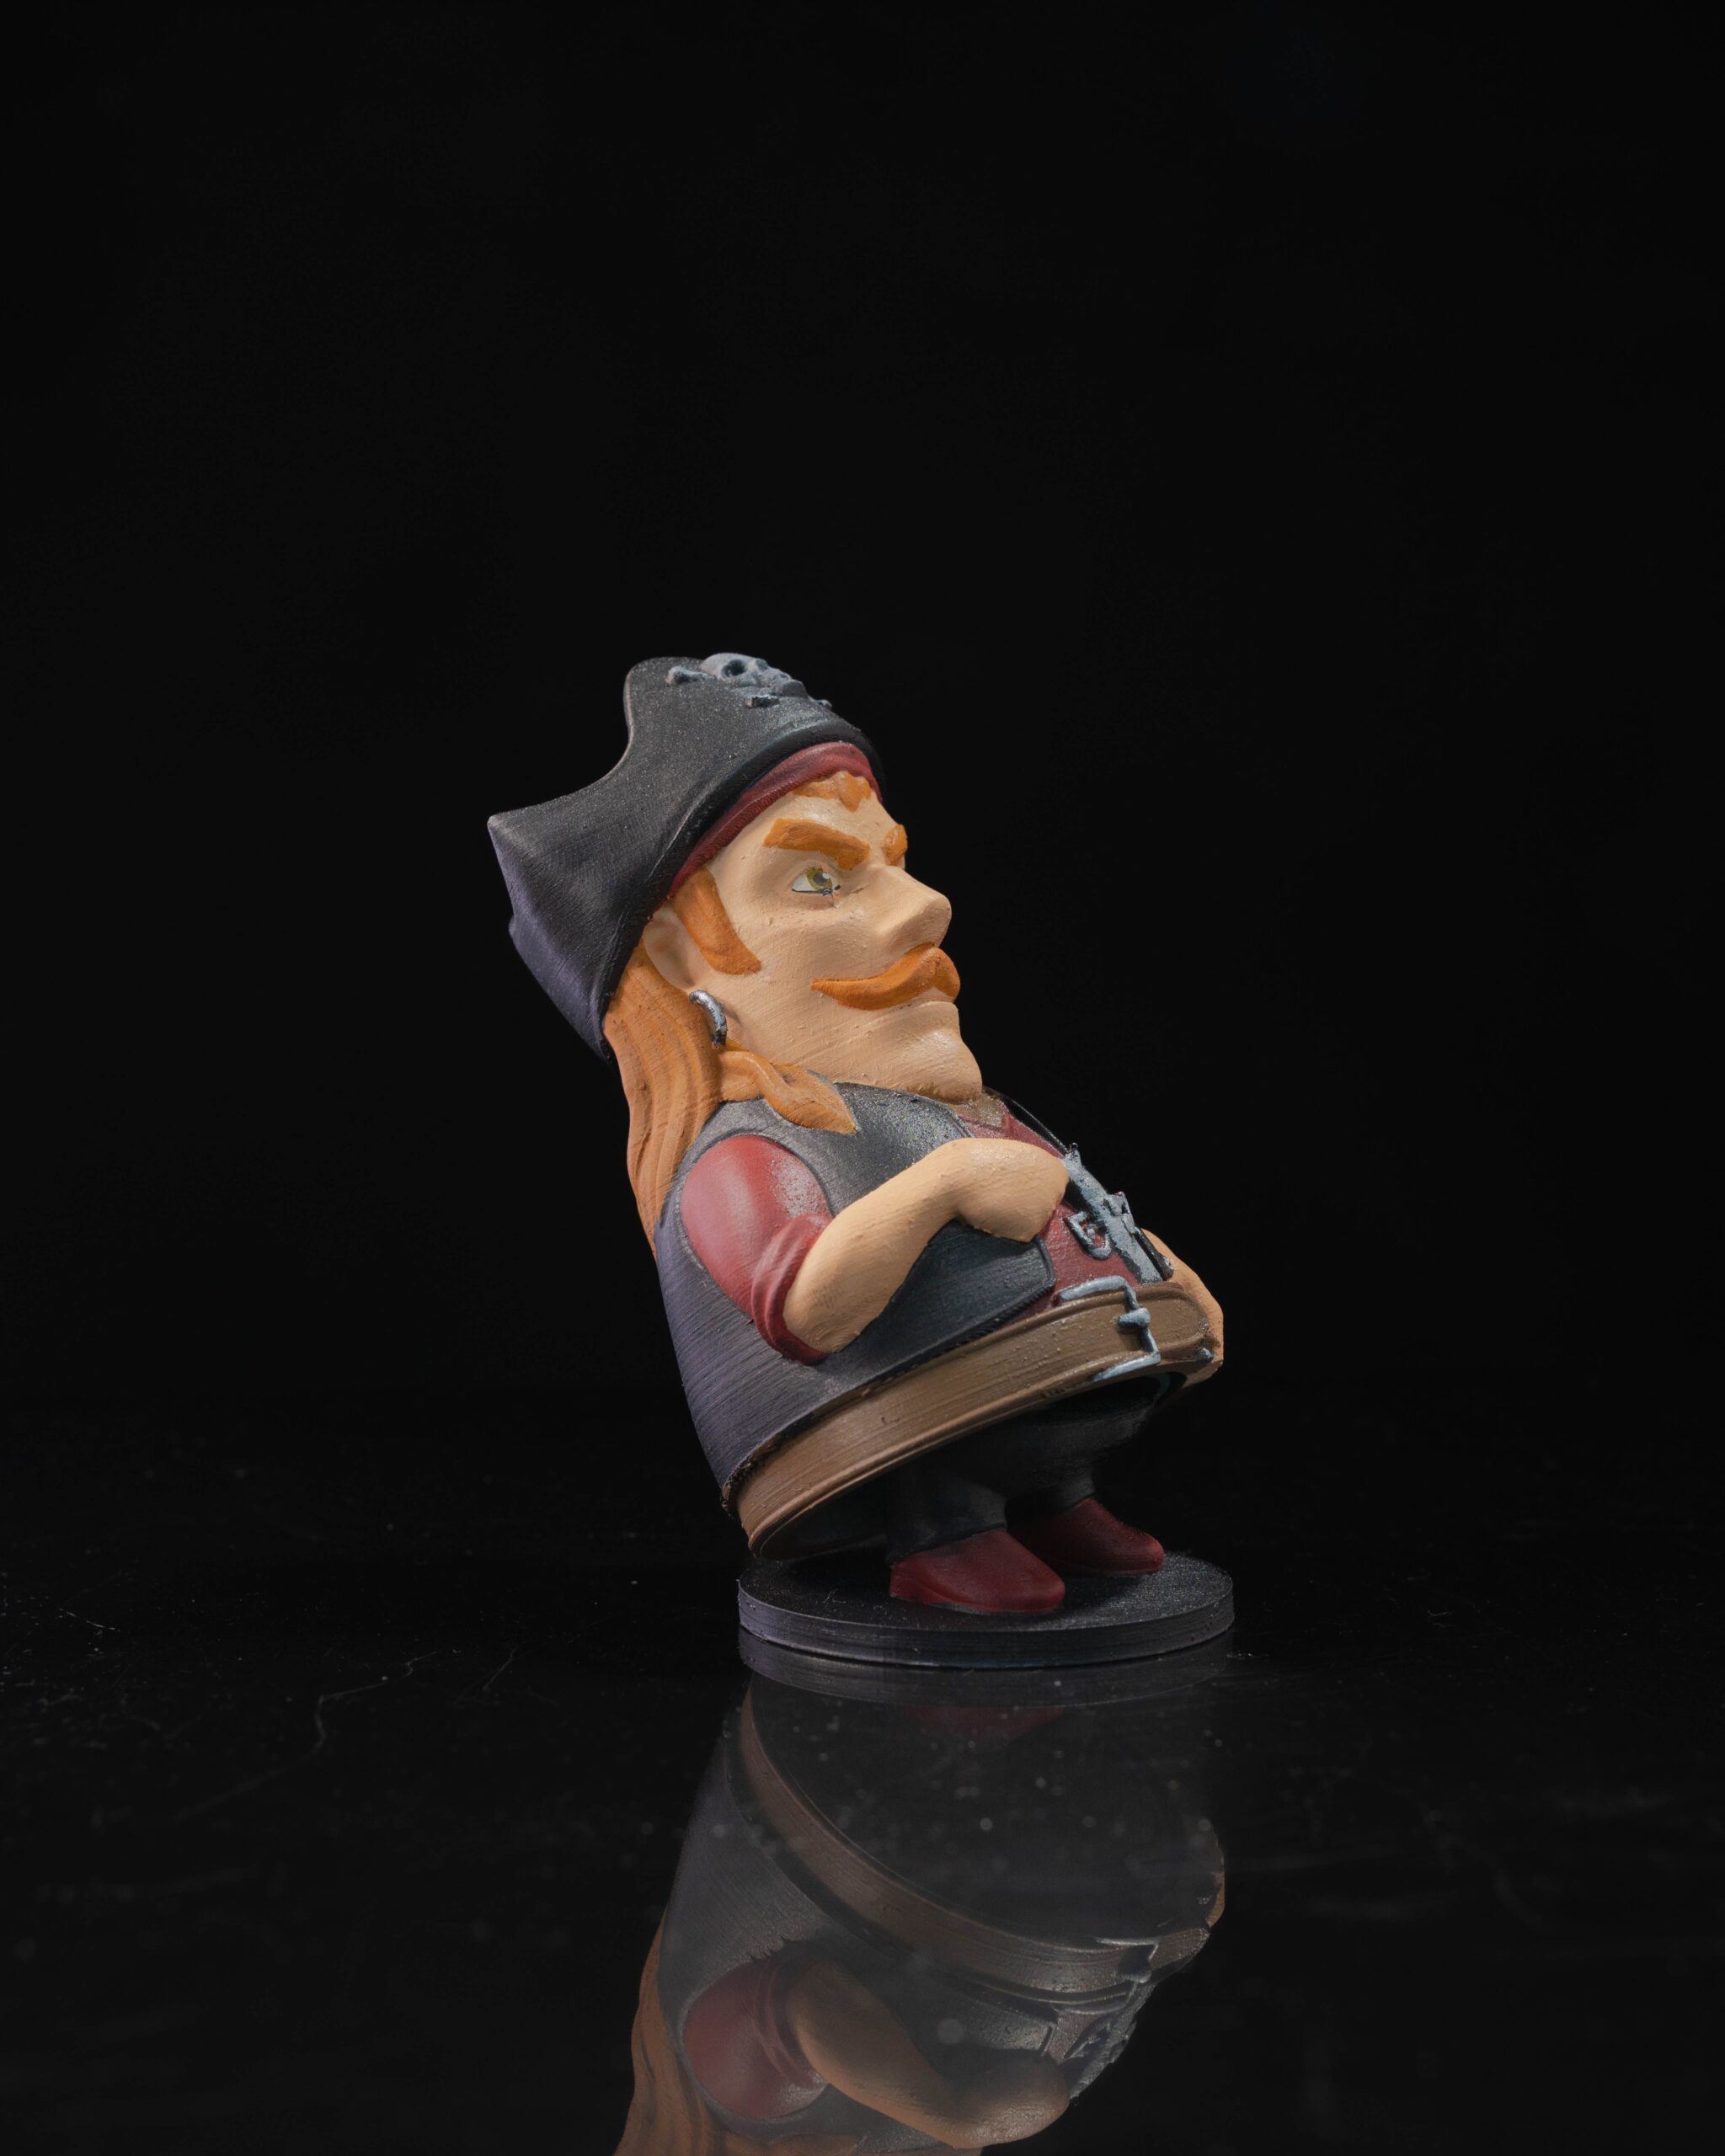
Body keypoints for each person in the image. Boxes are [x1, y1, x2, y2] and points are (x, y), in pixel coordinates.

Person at [490, 654, 1223, 1613]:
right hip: (909, 1423)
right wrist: (944, 1186)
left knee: (1044, 1448)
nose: (926, 908)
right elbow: (806, 1310)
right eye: (821, 878)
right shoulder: (747, 1155)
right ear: (675, 954)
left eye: (896, 866)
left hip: (1058, 1372)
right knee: (944, 1459)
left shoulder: (963, 1109)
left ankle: (1056, 1501)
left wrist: (1160, 1270)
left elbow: (1078, 1210)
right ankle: (945, 1533)